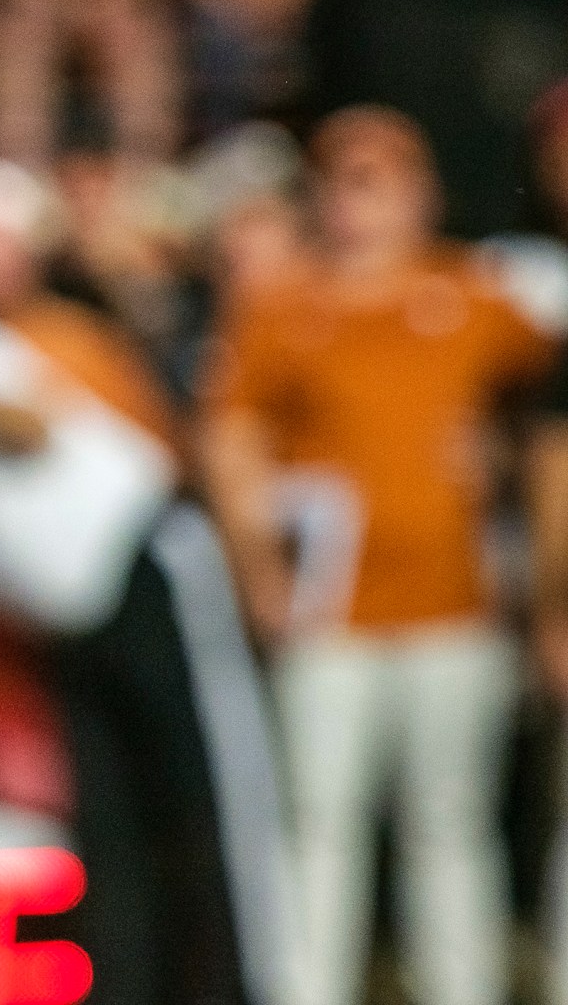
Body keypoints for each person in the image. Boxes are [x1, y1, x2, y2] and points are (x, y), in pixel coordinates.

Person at [0, 159, 283, 1005]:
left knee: (205, 805)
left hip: (147, 571)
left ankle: (241, 988)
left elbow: (30, 425)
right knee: (104, 830)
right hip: (67, 624)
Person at [202, 106, 551, 1005]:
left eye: (376, 178)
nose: (356, 199)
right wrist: (260, 569)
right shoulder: (286, 307)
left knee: (452, 826)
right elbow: (233, 441)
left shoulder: (473, 294)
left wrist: (505, 465)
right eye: (341, 179)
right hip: (334, 612)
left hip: (456, 607)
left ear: (419, 190)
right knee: (321, 824)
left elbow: (544, 403)